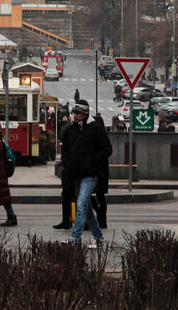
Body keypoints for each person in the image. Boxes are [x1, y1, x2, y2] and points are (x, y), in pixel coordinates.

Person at [64, 100, 111, 247]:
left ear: (84, 114)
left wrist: (93, 161)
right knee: (86, 209)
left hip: (90, 174)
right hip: (75, 174)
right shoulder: (71, 129)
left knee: (81, 204)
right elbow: (65, 148)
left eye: (77, 113)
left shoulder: (96, 128)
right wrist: (67, 163)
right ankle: (99, 238)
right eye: (74, 112)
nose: (74, 115)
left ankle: (75, 237)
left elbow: (107, 149)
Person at [54, 112, 79, 230]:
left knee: (79, 197)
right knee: (67, 196)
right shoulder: (70, 129)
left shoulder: (82, 130)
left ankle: (80, 221)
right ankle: (66, 221)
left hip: (78, 168)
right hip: (69, 167)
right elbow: (63, 147)